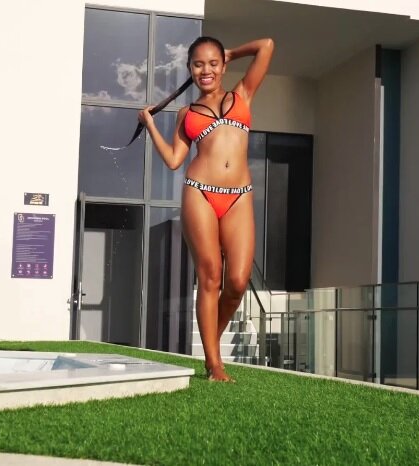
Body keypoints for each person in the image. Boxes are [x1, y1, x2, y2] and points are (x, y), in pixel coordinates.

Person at [138, 36, 274, 382]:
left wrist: (232, 52)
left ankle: (211, 340)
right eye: (198, 64)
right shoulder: (186, 114)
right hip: (200, 193)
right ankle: (214, 365)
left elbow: (267, 46)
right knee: (211, 275)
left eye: (213, 63)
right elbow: (174, 160)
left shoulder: (242, 94)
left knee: (238, 281)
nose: (206, 70)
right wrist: (150, 124)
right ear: (190, 69)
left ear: (224, 66)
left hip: (239, 196)